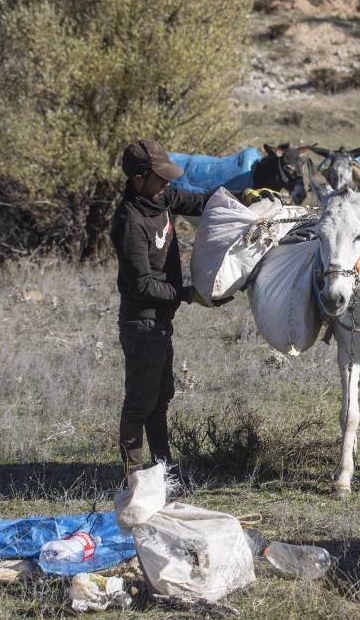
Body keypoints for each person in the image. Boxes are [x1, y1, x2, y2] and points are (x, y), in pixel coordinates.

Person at [111, 138, 208, 476]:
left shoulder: (160, 197)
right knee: (139, 403)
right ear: (138, 178)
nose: (168, 182)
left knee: (160, 396)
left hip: (161, 323)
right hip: (142, 324)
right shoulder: (129, 221)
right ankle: (134, 478)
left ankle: (163, 468)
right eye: (160, 177)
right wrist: (187, 294)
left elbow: (199, 202)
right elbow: (142, 285)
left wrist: (244, 199)